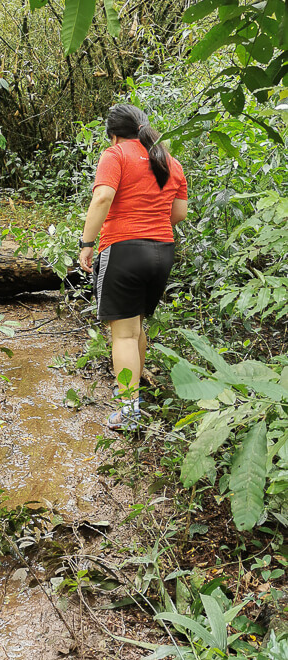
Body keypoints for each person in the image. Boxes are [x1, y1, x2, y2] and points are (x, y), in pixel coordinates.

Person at [79, 103, 188, 431]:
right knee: (136, 327)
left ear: (113, 134)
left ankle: (129, 412)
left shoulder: (115, 155)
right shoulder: (169, 160)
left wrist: (86, 244)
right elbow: (179, 213)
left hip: (124, 250)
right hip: (162, 252)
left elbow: (102, 199)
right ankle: (134, 397)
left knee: (123, 336)